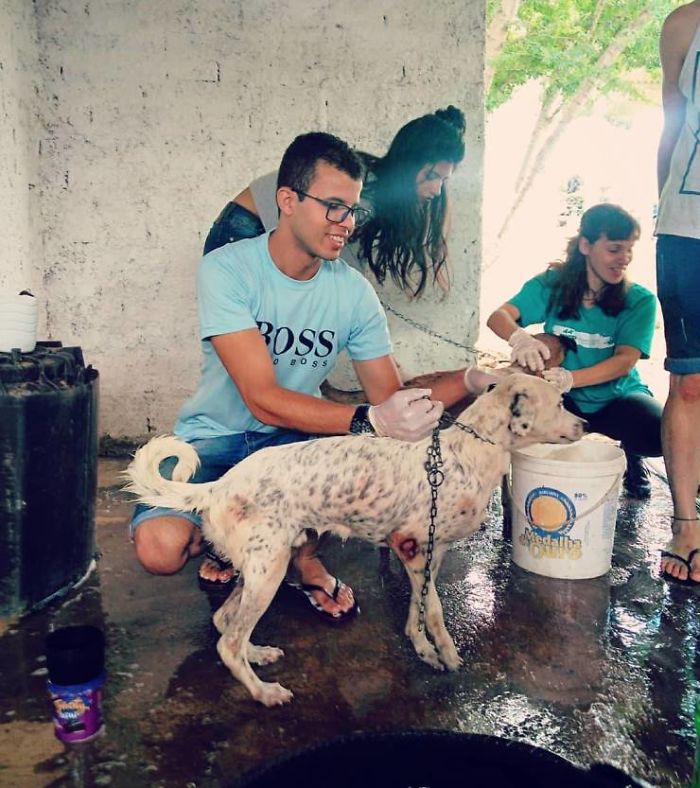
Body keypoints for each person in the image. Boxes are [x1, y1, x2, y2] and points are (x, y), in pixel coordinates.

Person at [130, 131, 492, 622]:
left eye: (354, 210)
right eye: (334, 207)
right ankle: (235, 540)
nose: (347, 224)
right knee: (161, 548)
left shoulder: (353, 294)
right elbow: (261, 397)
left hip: (291, 447)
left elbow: (390, 399)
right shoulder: (228, 269)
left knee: (369, 467)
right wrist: (369, 420)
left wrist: (473, 378)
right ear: (287, 200)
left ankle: (299, 558)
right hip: (213, 437)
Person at [486, 203, 662, 500]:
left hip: (615, 397)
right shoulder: (553, 284)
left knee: (657, 432)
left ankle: (632, 455)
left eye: (629, 250)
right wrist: (520, 338)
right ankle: (516, 478)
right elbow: (499, 316)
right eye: (615, 249)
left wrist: (570, 378)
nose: (625, 259)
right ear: (585, 245)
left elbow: (624, 361)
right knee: (508, 412)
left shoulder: (639, 300)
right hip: (562, 397)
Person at [202, 106, 466, 297]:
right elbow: (335, 266)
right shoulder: (366, 193)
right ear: (409, 164)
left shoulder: (376, 188)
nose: (435, 190)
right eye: (431, 176)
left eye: (443, 181)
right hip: (243, 228)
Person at [655, 0, 700, 583]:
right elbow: (670, 129)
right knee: (689, 381)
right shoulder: (684, 25)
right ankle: (687, 524)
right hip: (687, 230)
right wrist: (660, 211)